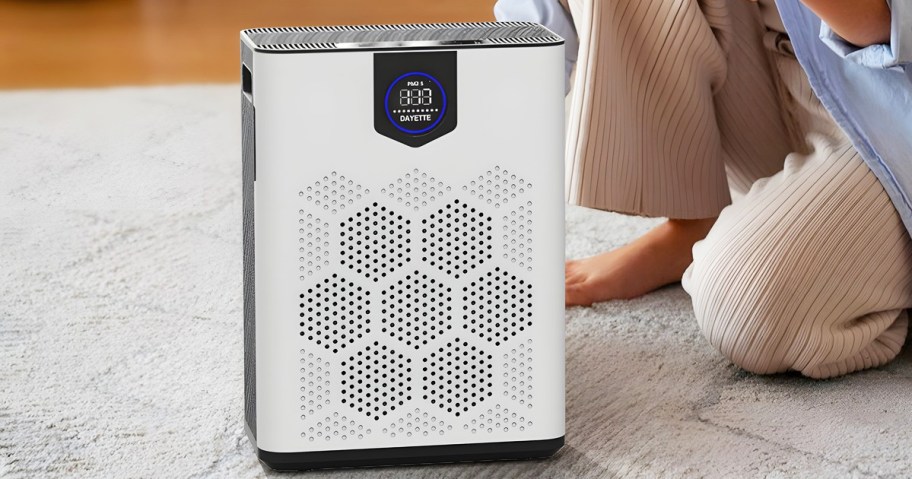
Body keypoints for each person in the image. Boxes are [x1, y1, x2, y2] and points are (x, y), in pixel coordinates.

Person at [496, 0, 912, 378]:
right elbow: (543, 21)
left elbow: (885, 25)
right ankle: (693, 220)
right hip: (776, 80)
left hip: (891, 116)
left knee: (746, 307)